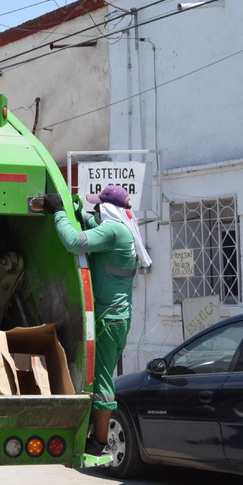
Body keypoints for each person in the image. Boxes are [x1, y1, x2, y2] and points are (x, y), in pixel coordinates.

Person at [44, 185, 152, 456]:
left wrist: (58, 212)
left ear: (108, 209)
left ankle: (99, 442)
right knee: (102, 376)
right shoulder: (123, 230)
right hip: (119, 320)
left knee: (102, 382)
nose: (96, 211)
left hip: (106, 319)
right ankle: (94, 432)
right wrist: (78, 209)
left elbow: (73, 242)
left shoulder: (113, 231)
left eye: (98, 206)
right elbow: (93, 223)